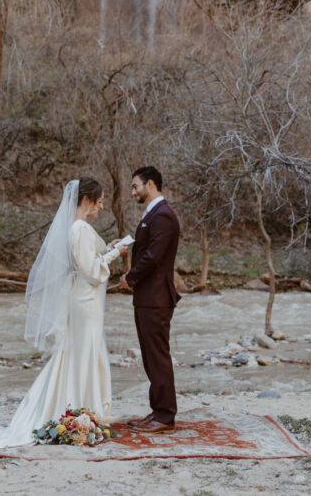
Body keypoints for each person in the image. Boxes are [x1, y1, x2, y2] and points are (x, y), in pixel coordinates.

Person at [0, 178, 125, 448]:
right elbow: (91, 270)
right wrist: (116, 253)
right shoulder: (79, 227)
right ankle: (80, 408)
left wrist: (109, 247)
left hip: (81, 297)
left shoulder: (78, 227)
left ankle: (84, 408)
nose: (102, 206)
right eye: (100, 201)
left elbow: (88, 257)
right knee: (84, 351)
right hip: (84, 298)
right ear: (87, 200)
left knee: (83, 351)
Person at [119, 166, 181, 434]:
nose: (133, 192)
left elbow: (153, 256)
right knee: (149, 356)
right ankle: (157, 411)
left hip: (156, 298)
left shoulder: (163, 216)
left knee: (158, 356)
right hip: (147, 297)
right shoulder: (152, 214)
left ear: (151, 184)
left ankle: (166, 416)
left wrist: (130, 277)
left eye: (136, 186)